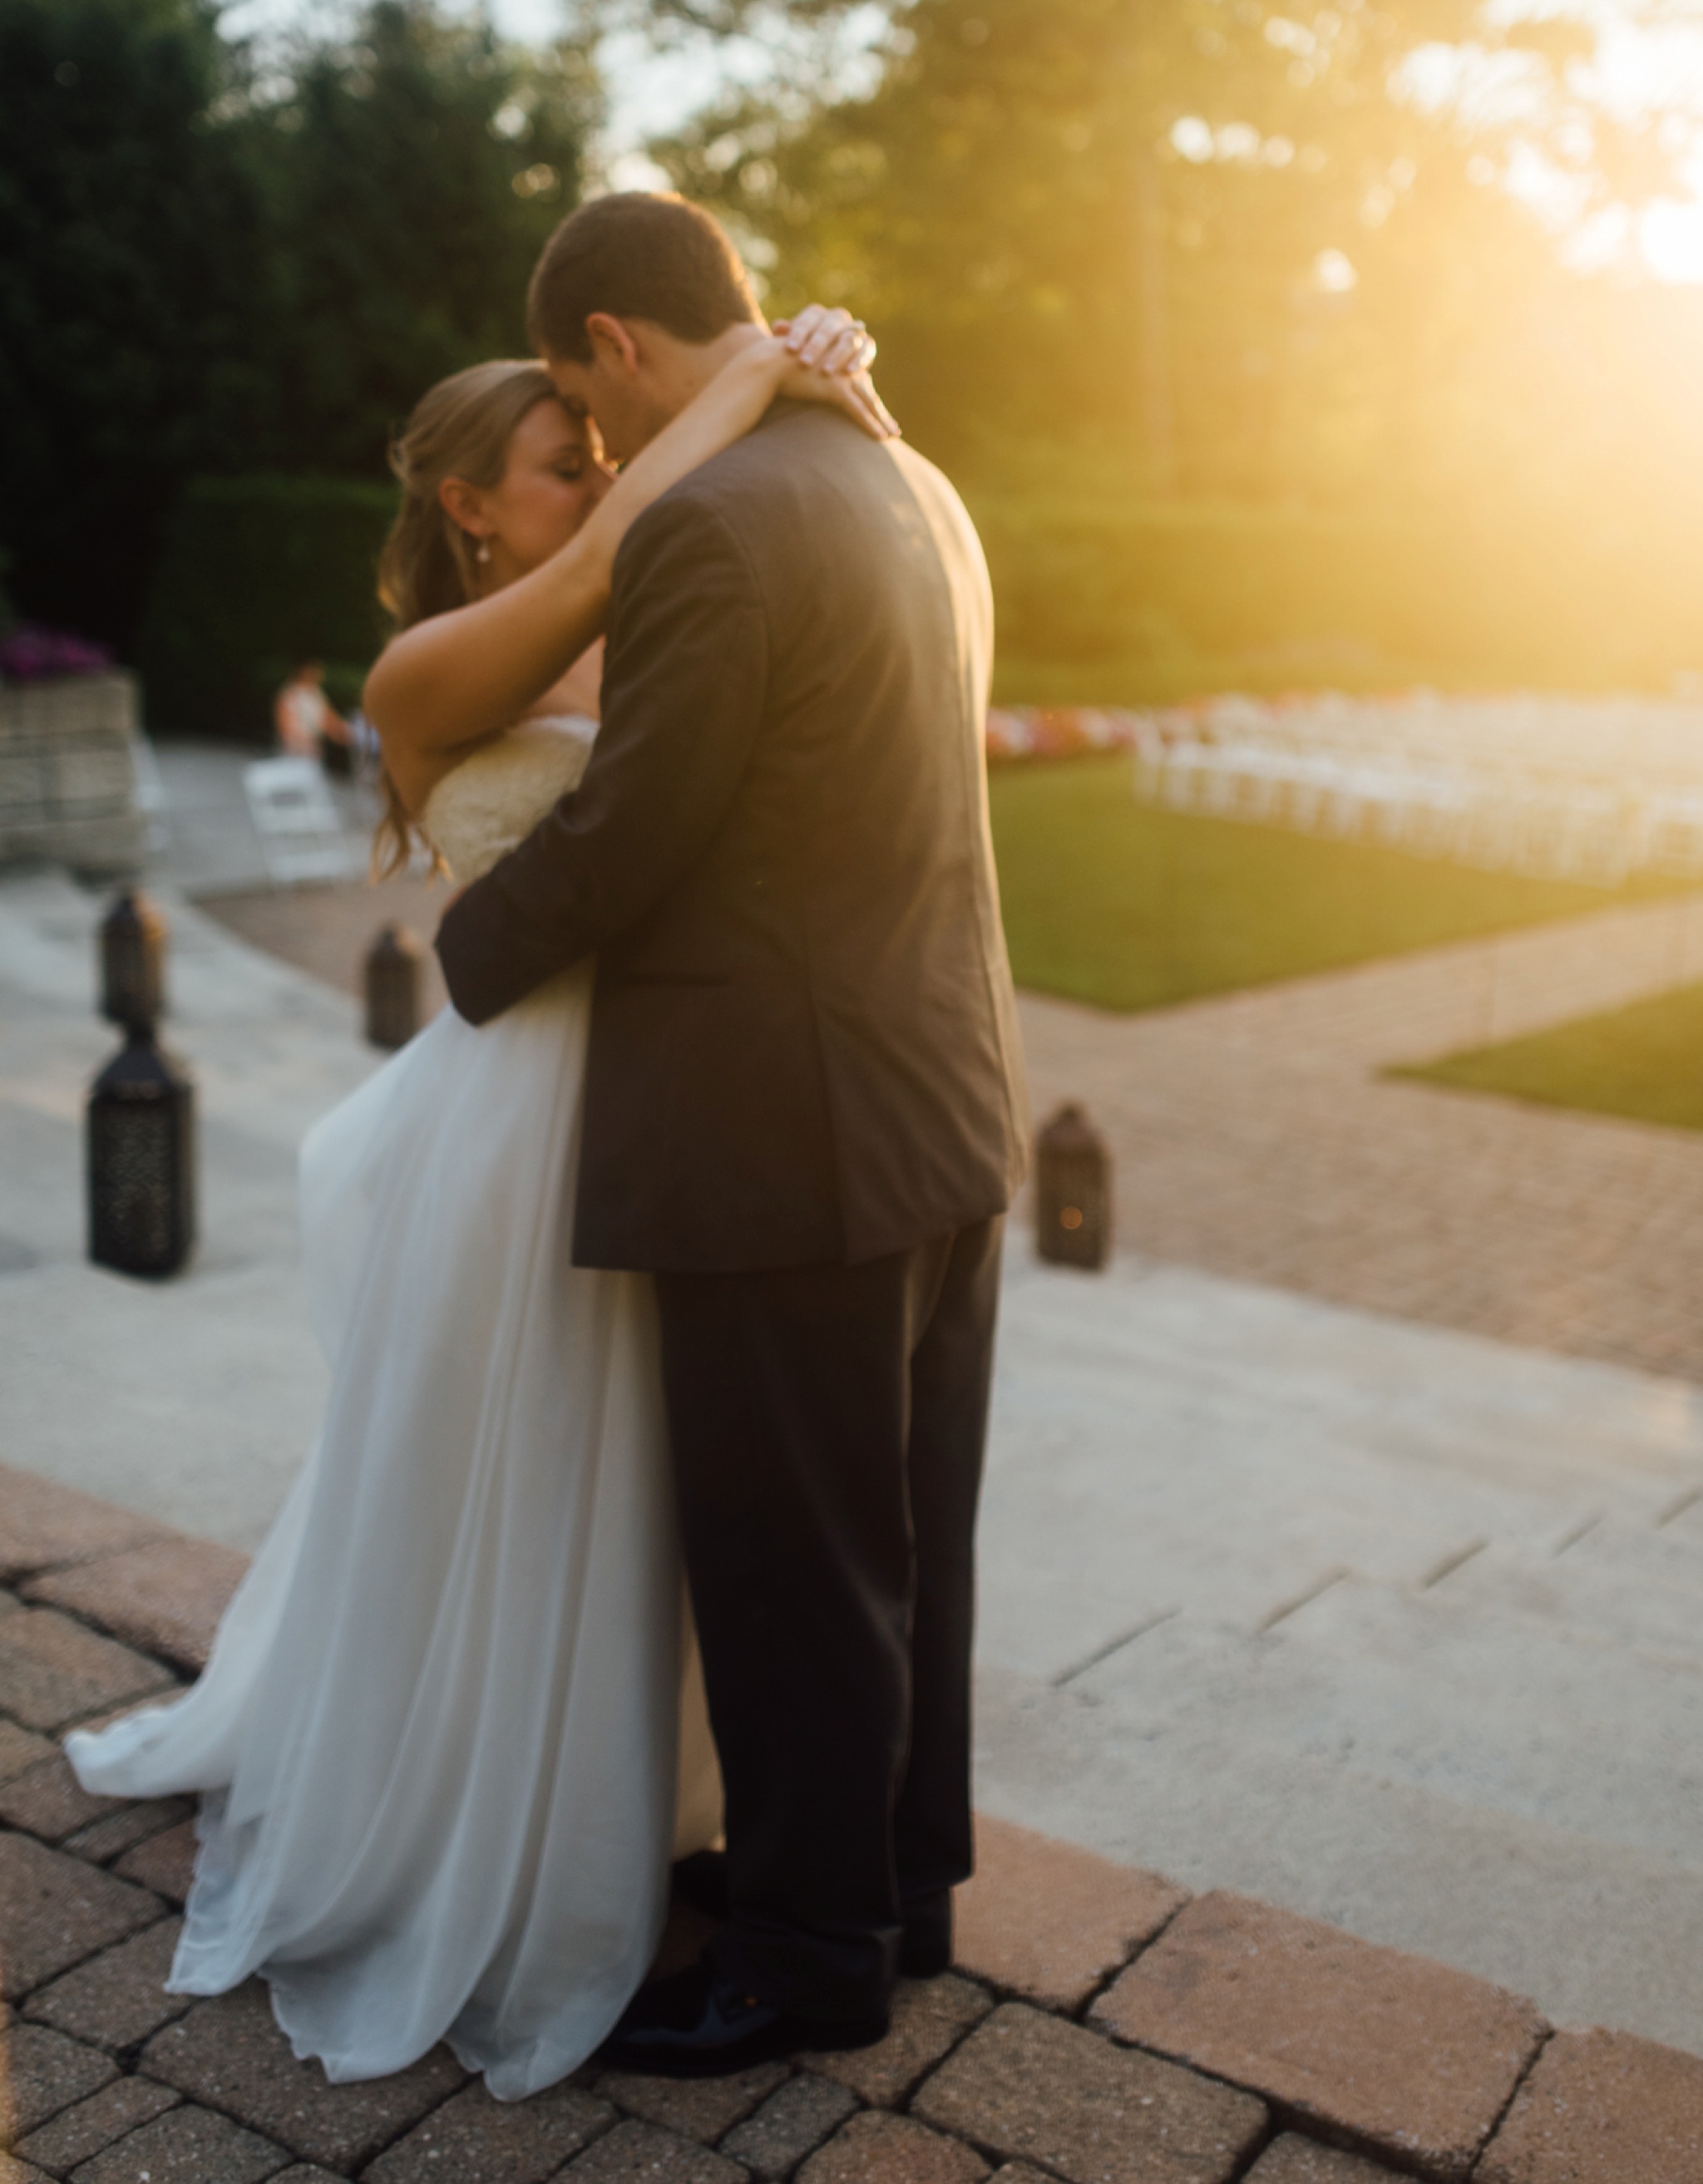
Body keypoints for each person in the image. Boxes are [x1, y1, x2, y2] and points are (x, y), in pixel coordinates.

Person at [66, 288, 896, 2100]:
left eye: (606, 444)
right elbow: (633, 546)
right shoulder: (432, 671)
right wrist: (746, 365)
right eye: (564, 456)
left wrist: (829, 379)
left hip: (685, 1104)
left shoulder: (656, 603)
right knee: (515, 1473)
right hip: (517, 1123)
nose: (603, 473)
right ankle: (475, 1807)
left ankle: (652, 1797)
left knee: (675, 1488)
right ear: (467, 505)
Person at [437, 192, 1028, 2074]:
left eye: (574, 390)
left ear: (612, 339)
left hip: (787, 1127)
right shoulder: (899, 478)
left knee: (789, 1557)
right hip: (943, 1095)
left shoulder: (705, 522)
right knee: (907, 1537)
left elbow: (639, 829)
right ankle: (891, 1885)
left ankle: (801, 1954)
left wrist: (469, 943)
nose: (597, 441)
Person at [274, 660, 351, 763]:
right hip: (294, 746)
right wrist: (294, 739)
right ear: (304, 671)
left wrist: (343, 733)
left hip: (314, 744)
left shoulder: (317, 693)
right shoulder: (290, 693)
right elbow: (284, 721)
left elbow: (328, 717)